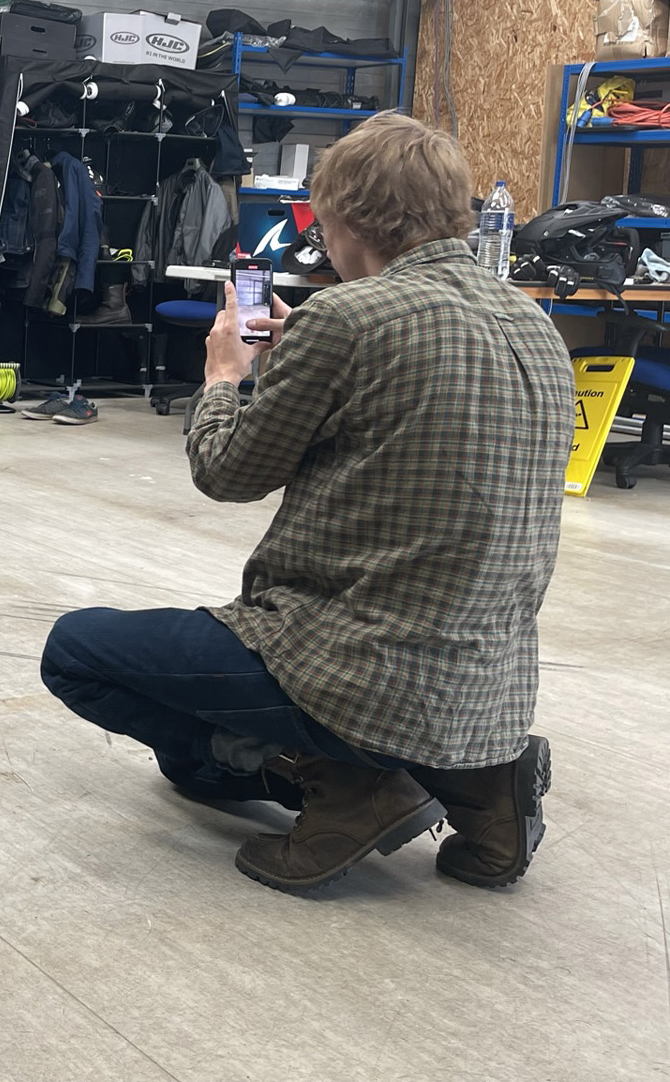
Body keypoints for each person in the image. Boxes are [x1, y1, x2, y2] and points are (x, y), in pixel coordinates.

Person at [40, 114, 575, 895]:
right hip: (487, 685)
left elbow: (225, 473)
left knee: (80, 654)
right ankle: (479, 781)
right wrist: (308, 353)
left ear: (350, 219)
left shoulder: (347, 317)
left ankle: (347, 784)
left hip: (351, 668)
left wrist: (224, 377)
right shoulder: (533, 323)